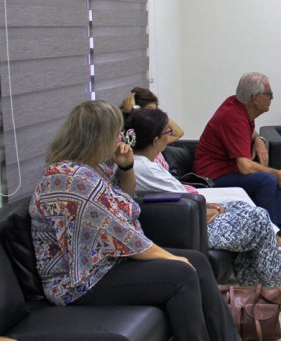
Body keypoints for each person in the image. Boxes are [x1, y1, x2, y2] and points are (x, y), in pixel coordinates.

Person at [29, 100, 240, 340]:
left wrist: (126, 167)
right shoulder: (71, 180)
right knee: (181, 274)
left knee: (198, 261)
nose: (120, 138)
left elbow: (125, 198)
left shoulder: (93, 167)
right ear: (99, 137)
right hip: (77, 282)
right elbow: (121, 234)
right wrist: (170, 258)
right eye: (116, 133)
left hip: (105, 263)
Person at [128, 109, 281, 310]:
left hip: (190, 216)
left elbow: (178, 194)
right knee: (259, 219)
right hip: (187, 227)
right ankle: (272, 292)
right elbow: (183, 199)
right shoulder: (144, 167)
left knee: (242, 207)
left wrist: (208, 206)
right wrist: (206, 209)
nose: (170, 135)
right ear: (155, 140)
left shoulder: (144, 162)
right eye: (166, 132)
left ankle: (254, 291)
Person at [193, 72, 281, 225]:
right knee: (269, 179)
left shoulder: (237, 104)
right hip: (211, 177)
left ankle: (277, 229)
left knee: (280, 179)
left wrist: (259, 139)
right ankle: (266, 231)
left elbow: (246, 131)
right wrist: (277, 173)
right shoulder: (233, 117)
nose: (272, 98)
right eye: (269, 94)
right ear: (255, 98)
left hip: (227, 171)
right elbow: (245, 167)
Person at [119, 86, 185, 141]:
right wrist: (133, 111)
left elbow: (178, 133)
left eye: (155, 110)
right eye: (149, 110)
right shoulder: (124, 128)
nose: (153, 115)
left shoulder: (153, 129)